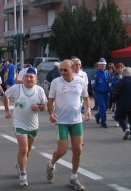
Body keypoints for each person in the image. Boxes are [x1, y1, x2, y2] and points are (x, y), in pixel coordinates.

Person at [46, 59, 91, 191]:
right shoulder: (56, 82)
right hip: (61, 121)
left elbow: (86, 97)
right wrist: (51, 113)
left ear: (73, 69)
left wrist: (88, 110)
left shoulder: (80, 81)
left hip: (76, 120)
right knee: (62, 150)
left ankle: (73, 177)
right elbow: (50, 100)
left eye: (66, 69)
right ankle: (51, 164)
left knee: (78, 151)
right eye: (61, 70)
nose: (63, 72)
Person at [3, 67, 47, 186]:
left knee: (28, 150)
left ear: (36, 79)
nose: (28, 79)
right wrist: (7, 110)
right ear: (23, 78)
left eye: (31, 77)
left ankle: (20, 164)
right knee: (23, 149)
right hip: (19, 123)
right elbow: (5, 96)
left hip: (33, 124)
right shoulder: (16, 88)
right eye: (26, 77)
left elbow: (44, 106)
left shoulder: (39, 90)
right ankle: (23, 173)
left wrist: (39, 107)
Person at [111, 67, 131, 141]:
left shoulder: (120, 82)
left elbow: (115, 93)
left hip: (123, 103)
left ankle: (126, 129)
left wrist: (113, 102)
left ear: (124, 73)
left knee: (121, 117)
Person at [92, 58, 110, 128]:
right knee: (102, 107)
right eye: (102, 65)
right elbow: (93, 84)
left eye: (104, 65)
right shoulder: (95, 74)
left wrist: (110, 89)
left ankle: (97, 115)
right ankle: (103, 122)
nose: (103, 66)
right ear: (99, 65)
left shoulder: (107, 73)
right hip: (99, 93)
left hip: (107, 93)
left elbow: (110, 82)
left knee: (105, 107)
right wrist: (98, 90)